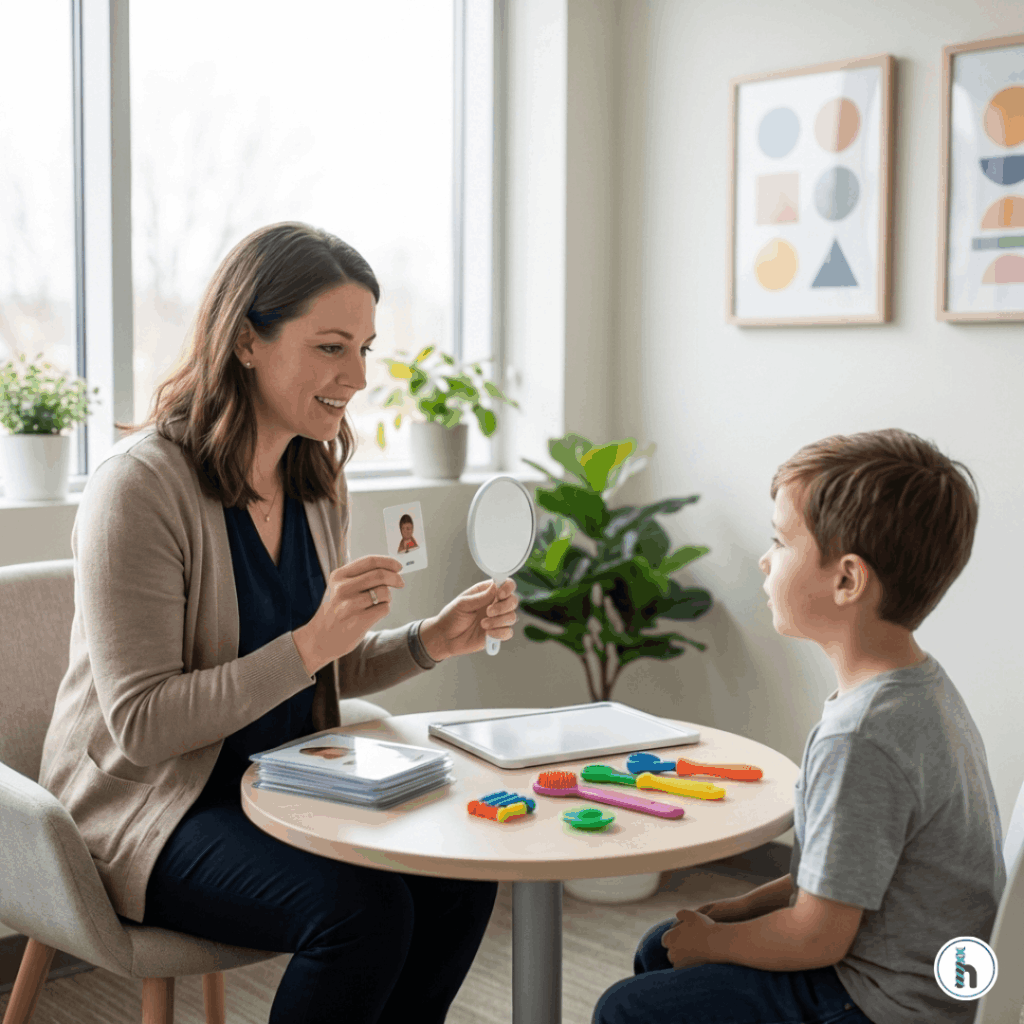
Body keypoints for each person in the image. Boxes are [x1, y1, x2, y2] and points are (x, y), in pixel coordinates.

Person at [38, 222, 519, 1024]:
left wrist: (431, 639)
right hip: (150, 808)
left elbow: (318, 668)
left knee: (458, 873)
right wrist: (309, 644)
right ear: (247, 341)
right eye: (332, 347)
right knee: (362, 914)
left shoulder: (315, 481)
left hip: (284, 780)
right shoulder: (140, 488)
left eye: (365, 349)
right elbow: (144, 725)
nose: (357, 376)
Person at [593, 428, 1006, 1024]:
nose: (765, 559)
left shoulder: (862, 736)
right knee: (659, 947)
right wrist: (739, 908)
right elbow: (822, 879)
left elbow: (816, 938)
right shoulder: (919, 687)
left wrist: (714, 942)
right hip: (915, 981)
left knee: (625, 1010)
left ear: (847, 580)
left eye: (780, 541)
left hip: (881, 1004)